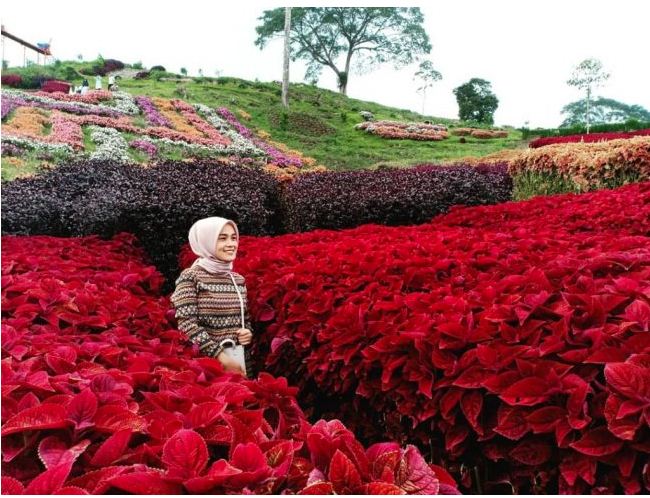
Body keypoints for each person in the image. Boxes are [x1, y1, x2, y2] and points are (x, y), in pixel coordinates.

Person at [170, 217, 254, 377]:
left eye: (234, 238)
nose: (231, 244)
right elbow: (186, 325)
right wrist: (219, 356)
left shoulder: (237, 279)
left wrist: (247, 333)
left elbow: (245, 319)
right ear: (205, 242)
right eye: (222, 238)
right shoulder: (191, 277)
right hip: (207, 367)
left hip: (239, 361)